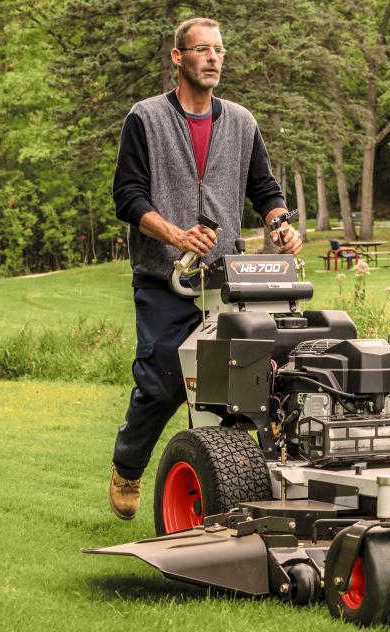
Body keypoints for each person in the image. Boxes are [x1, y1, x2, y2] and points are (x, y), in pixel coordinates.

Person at [108, 17, 302, 520]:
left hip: (229, 281)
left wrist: (280, 224)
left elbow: (265, 191)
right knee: (163, 378)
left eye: (219, 50)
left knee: (252, 378)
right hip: (164, 276)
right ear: (178, 57)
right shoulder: (145, 119)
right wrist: (176, 234)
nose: (214, 58)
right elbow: (127, 197)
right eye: (202, 50)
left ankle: (247, 481)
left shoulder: (241, 121)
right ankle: (128, 467)